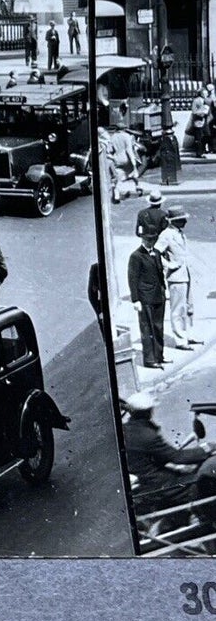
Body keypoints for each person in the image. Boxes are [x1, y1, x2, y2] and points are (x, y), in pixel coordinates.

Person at [123, 391, 211, 499]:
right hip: (164, 485)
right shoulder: (147, 435)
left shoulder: (126, 430)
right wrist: (207, 449)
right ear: (148, 411)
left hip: (148, 482)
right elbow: (177, 457)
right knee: (207, 480)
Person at [156, 207, 199, 351]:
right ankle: (180, 340)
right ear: (174, 221)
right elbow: (156, 253)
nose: (185, 221)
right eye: (182, 219)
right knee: (177, 310)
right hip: (176, 278)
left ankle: (188, 335)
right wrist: (169, 265)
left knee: (189, 307)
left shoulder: (180, 233)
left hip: (186, 275)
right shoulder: (166, 235)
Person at [128, 236, 168, 369]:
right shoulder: (136, 256)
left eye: (152, 240)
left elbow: (160, 273)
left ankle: (159, 356)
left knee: (158, 327)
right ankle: (150, 360)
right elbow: (132, 278)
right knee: (147, 329)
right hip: (145, 298)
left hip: (158, 296)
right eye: (148, 240)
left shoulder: (156, 253)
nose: (150, 243)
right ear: (143, 240)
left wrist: (164, 290)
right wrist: (135, 300)